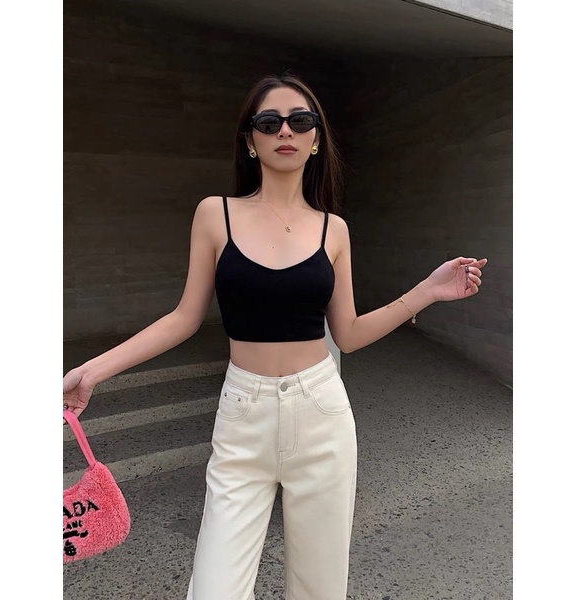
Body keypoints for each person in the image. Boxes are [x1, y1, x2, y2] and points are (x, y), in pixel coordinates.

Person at [63, 72, 488, 600]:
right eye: (269, 122)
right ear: (251, 140)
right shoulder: (215, 214)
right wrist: (92, 371)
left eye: (300, 120)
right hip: (243, 415)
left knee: (319, 588)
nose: (285, 130)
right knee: (214, 590)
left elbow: (348, 334)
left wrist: (426, 291)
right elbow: (184, 317)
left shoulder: (334, 229)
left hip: (322, 413)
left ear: (315, 140)